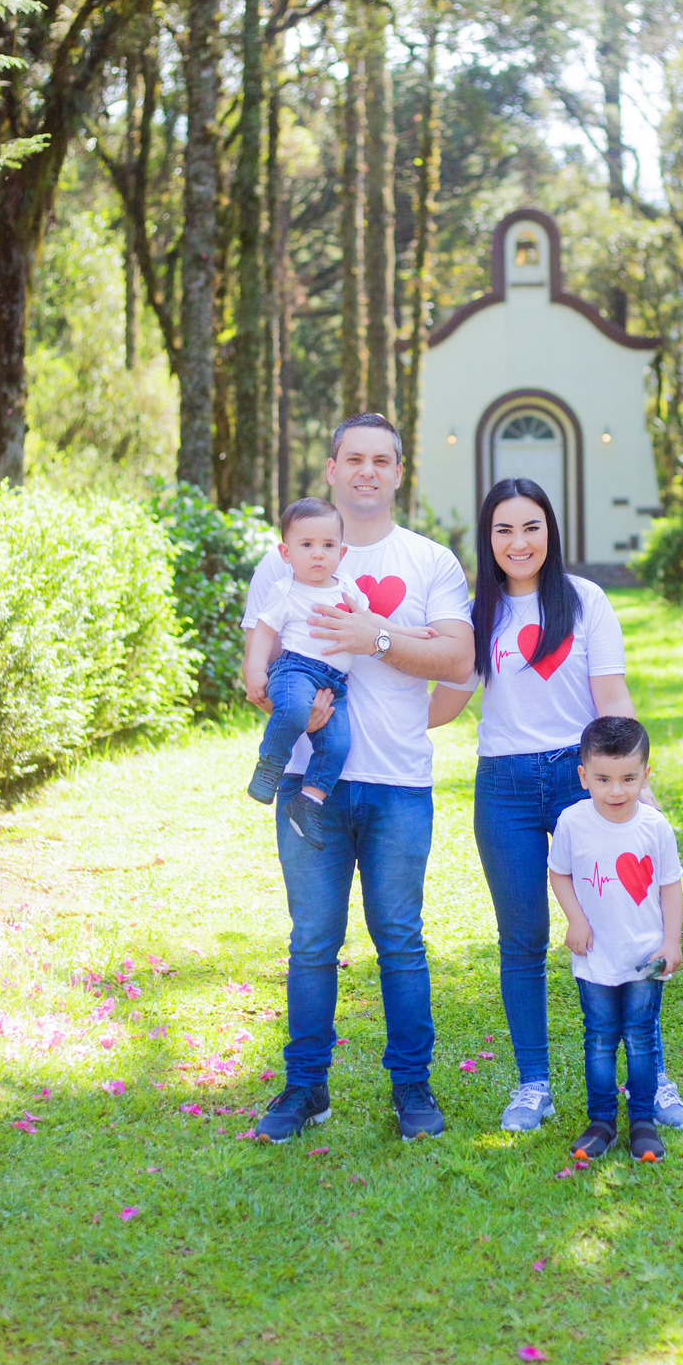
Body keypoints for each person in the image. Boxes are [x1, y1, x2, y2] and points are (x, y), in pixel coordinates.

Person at [427, 477, 683, 1134]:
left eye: (531, 527)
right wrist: (373, 719)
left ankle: (650, 1081)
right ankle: (533, 1085)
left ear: (551, 531)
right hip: (505, 787)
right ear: (488, 539)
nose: (518, 542)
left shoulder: (585, 602)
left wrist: (643, 797)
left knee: (619, 931)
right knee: (522, 939)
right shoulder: (475, 614)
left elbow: (612, 698)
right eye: (503, 530)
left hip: (584, 781)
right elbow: (448, 699)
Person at [240, 413, 475, 1144]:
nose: (368, 471)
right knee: (312, 940)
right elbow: (257, 663)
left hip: (399, 784)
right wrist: (281, 696)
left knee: (400, 940)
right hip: (311, 780)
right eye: (354, 459)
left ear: (399, 473)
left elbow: (459, 663)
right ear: (333, 469)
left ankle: (412, 1089)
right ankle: (305, 1090)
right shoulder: (285, 559)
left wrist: (375, 637)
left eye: (382, 460)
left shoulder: (430, 561)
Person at [549, 715, 683, 1165]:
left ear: (646, 773)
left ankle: (643, 1120)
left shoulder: (655, 827)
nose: (616, 791)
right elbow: (560, 873)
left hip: (645, 957)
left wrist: (671, 942)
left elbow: (669, 885)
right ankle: (602, 1120)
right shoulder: (571, 822)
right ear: (584, 775)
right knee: (600, 1038)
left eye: (629, 778)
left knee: (642, 1038)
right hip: (595, 957)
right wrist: (575, 919)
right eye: (603, 779)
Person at [243, 497, 368, 847]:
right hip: (294, 670)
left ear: (341, 553)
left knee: (339, 744)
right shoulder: (286, 589)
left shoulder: (347, 589)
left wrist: (410, 635)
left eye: (327, 545)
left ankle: (308, 801)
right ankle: (270, 765)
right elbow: (265, 632)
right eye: (307, 545)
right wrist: (256, 671)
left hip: (335, 685)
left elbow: (370, 624)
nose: (317, 554)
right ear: (286, 553)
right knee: (295, 709)